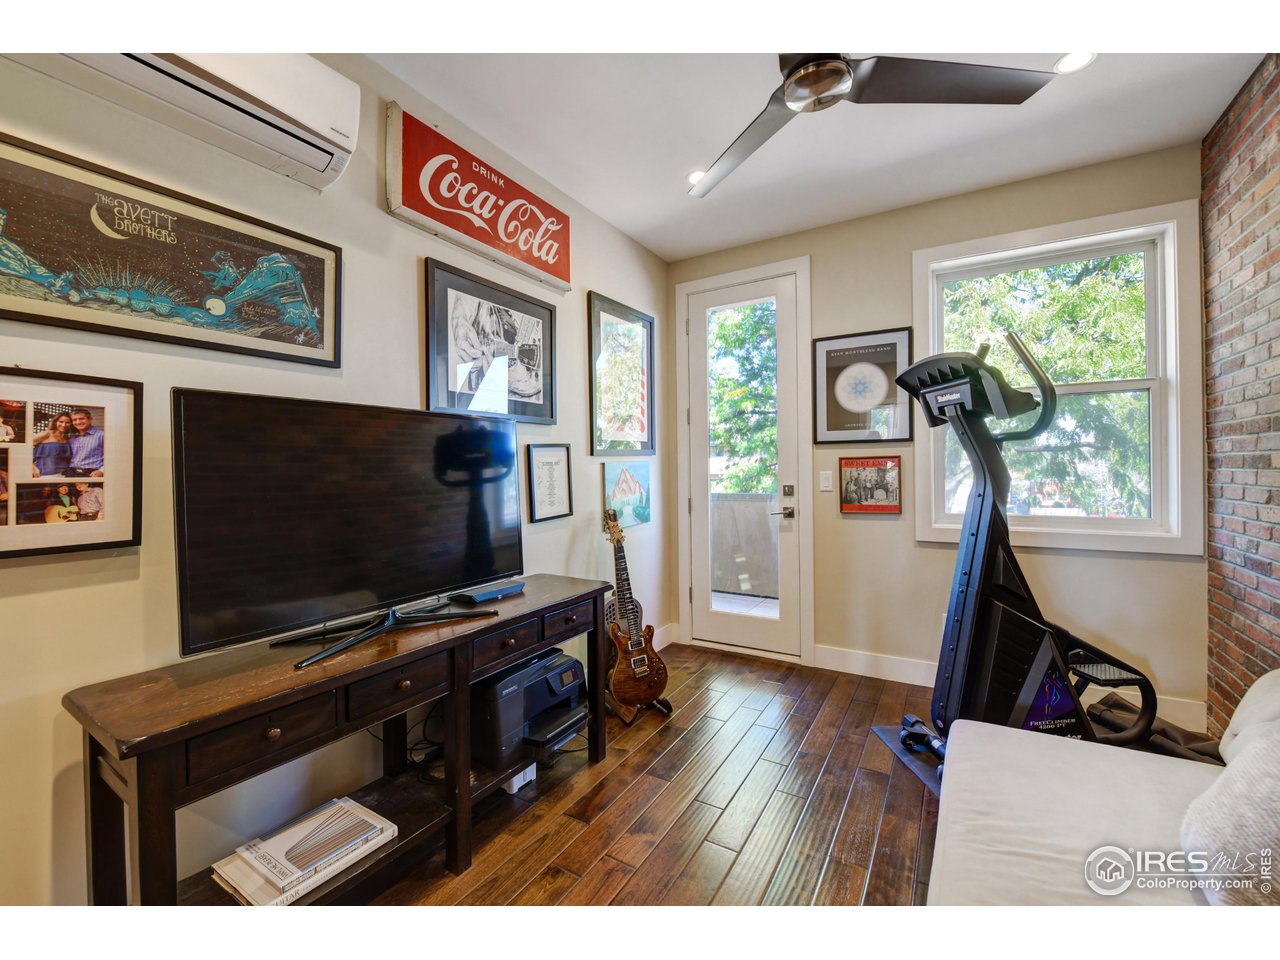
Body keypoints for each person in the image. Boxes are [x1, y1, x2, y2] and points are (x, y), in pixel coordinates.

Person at [31, 412, 73, 478]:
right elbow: (22, 448)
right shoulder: (46, 434)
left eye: (67, 422)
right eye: (61, 422)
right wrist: (33, 467)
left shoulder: (67, 438)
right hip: (46, 475)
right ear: (55, 422)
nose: (64, 425)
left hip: (66, 475)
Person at [67, 408, 105, 477]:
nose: (78, 422)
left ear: (90, 419)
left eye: (81, 419)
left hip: (92, 474)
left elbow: (113, 456)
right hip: (71, 473)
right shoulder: (72, 438)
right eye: (74, 420)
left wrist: (102, 471)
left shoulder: (102, 435)